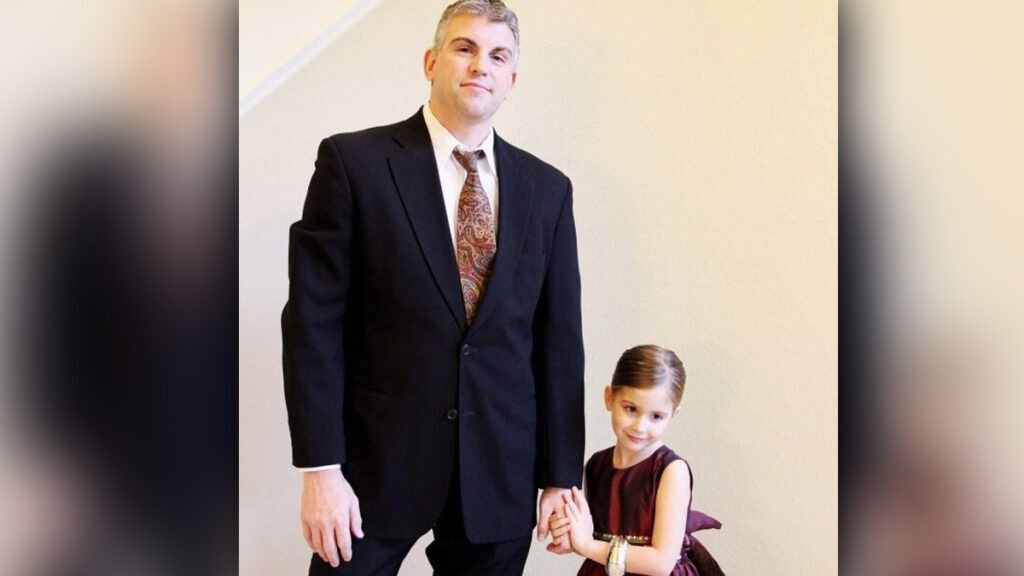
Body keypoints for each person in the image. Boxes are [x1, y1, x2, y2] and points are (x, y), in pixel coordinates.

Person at [281, 1, 584, 574]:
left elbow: (559, 341)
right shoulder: (354, 164)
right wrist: (320, 469)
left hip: (500, 469)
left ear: (512, 79)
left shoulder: (547, 190)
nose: (481, 65)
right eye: (465, 48)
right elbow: (312, 325)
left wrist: (560, 475)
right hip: (374, 469)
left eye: (498, 56)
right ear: (431, 61)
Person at [549, 345, 724, 576]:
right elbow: (594, 537)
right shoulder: (596, 465)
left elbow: (661, 563)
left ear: (673, 415)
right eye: (631, 409)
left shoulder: (671, 471)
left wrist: (587, 546)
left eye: (656, 416)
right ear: (609, 397)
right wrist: (570, 536)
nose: (640, 426)